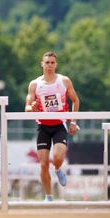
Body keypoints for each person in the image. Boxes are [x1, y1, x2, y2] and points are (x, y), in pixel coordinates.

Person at [24, 52, 80, 202]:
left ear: (56, 64)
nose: (49, 65)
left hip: (59, 125)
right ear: (42, 64)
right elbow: (27, 108)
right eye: (47, 62)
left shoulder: (64, 81)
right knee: (42, 165)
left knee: (57, 157)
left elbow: (75, 101)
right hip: (43, 127)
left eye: (52, 62)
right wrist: (33, 106)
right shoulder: (35, 84)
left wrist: (73, 122)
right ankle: (48, 196)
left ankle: (57, 169)